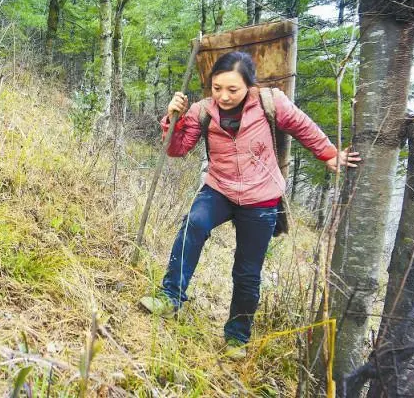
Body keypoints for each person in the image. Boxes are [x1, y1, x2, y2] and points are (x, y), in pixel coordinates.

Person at [139, 51, 361, 360]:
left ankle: (236, 337)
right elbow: (176, 150)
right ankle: (169, 296)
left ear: (249, 85)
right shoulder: (203, 110)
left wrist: (329, 154)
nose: (224, 96)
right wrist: (172, 120)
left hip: (261, 198)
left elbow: (302, 126)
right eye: (217, 88)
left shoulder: (271, 102)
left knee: (246, 272)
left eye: (233, 89)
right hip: (219, 189)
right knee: (194, 223)